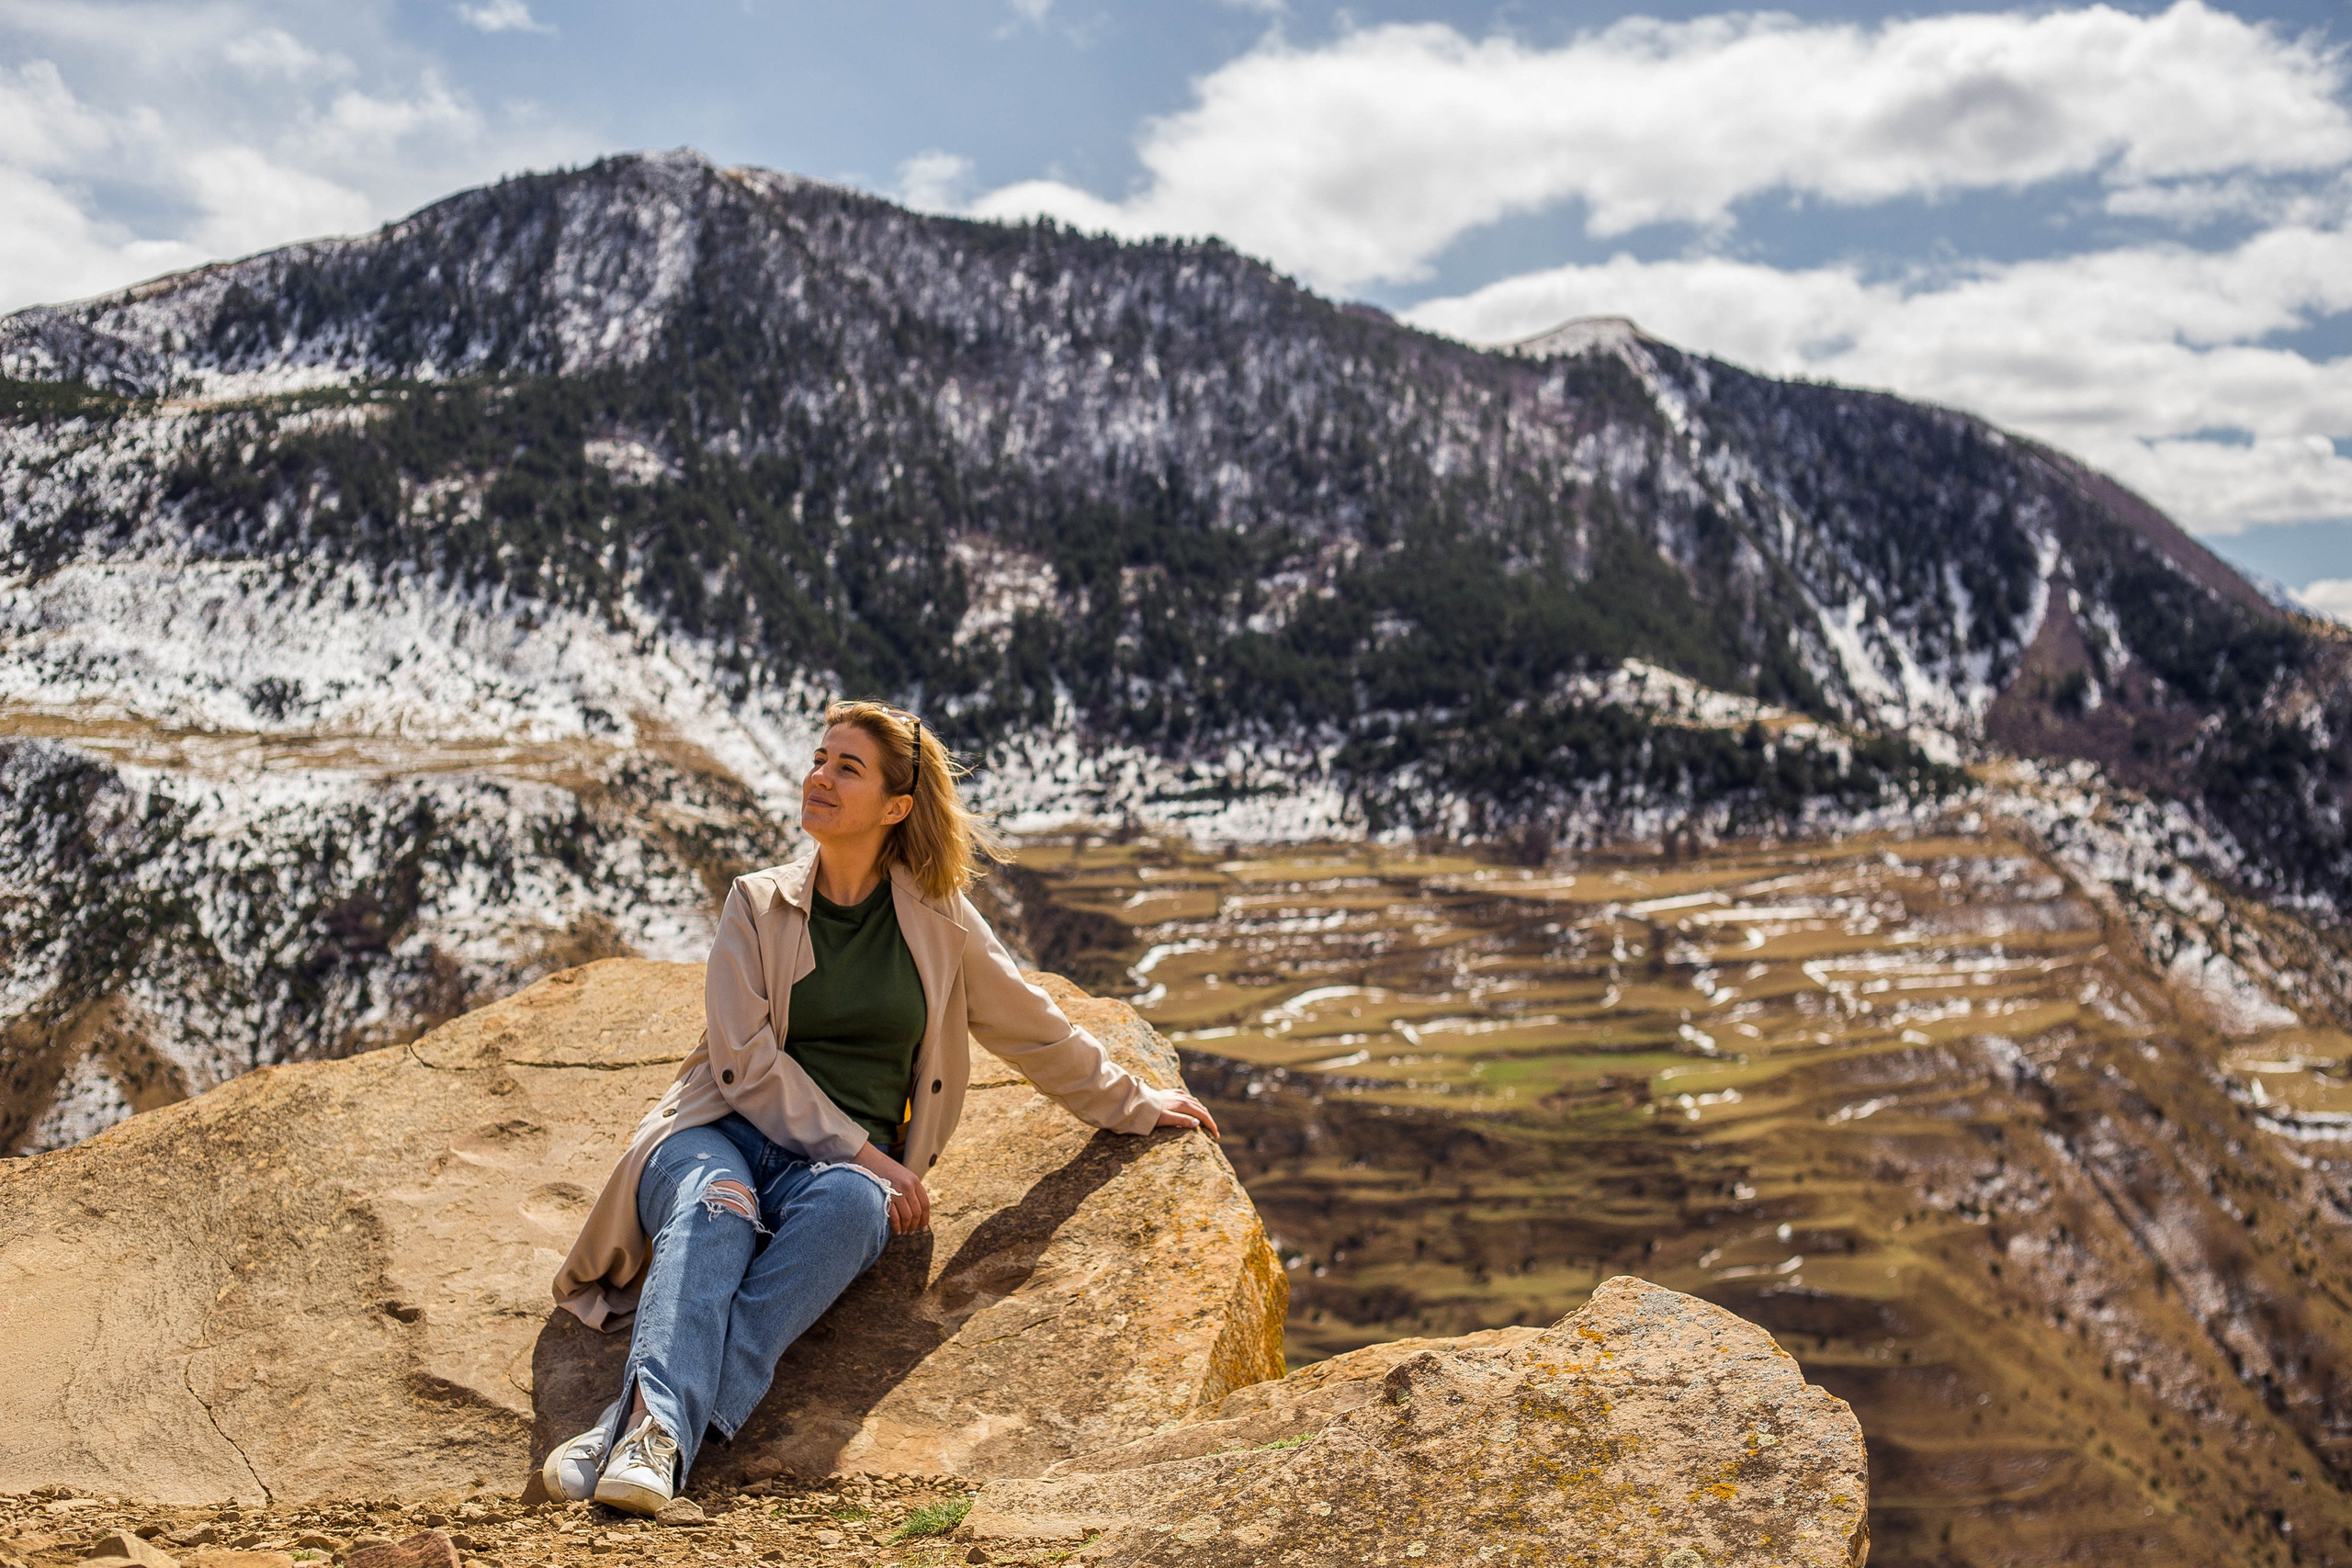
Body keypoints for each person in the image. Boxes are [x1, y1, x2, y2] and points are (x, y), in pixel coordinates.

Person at [541, 700, 1222, 1514]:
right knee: (718, 1209)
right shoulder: (755, 905)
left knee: (857, 1214)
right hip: (712, 1135)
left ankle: (630, 1423)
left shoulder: (938, 921)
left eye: (846, 767)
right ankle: (657, 1434)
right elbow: (744, 1067)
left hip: (832, 1175)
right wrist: (868, 1151)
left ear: (896, 807)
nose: (818, 776)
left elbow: (1033, 1026)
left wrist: (1133, 1100)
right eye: (819, 758)